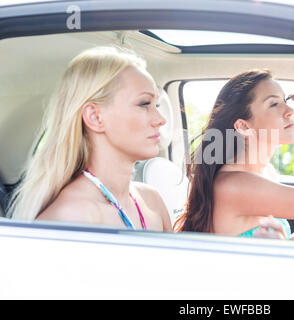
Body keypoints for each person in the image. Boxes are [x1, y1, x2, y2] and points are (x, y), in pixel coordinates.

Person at [176, 69, 294, 240]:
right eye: (274, 104)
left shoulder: (258, 176)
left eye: (284, 101)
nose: (290, 111)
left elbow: (291, 245)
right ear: (243, 126)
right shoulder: (235, 185)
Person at [7, 46, 172, 231]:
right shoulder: (72, 216)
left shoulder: (152, 200)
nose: (161, 119)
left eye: (156, 104)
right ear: (95, 117)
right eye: (144, 104)